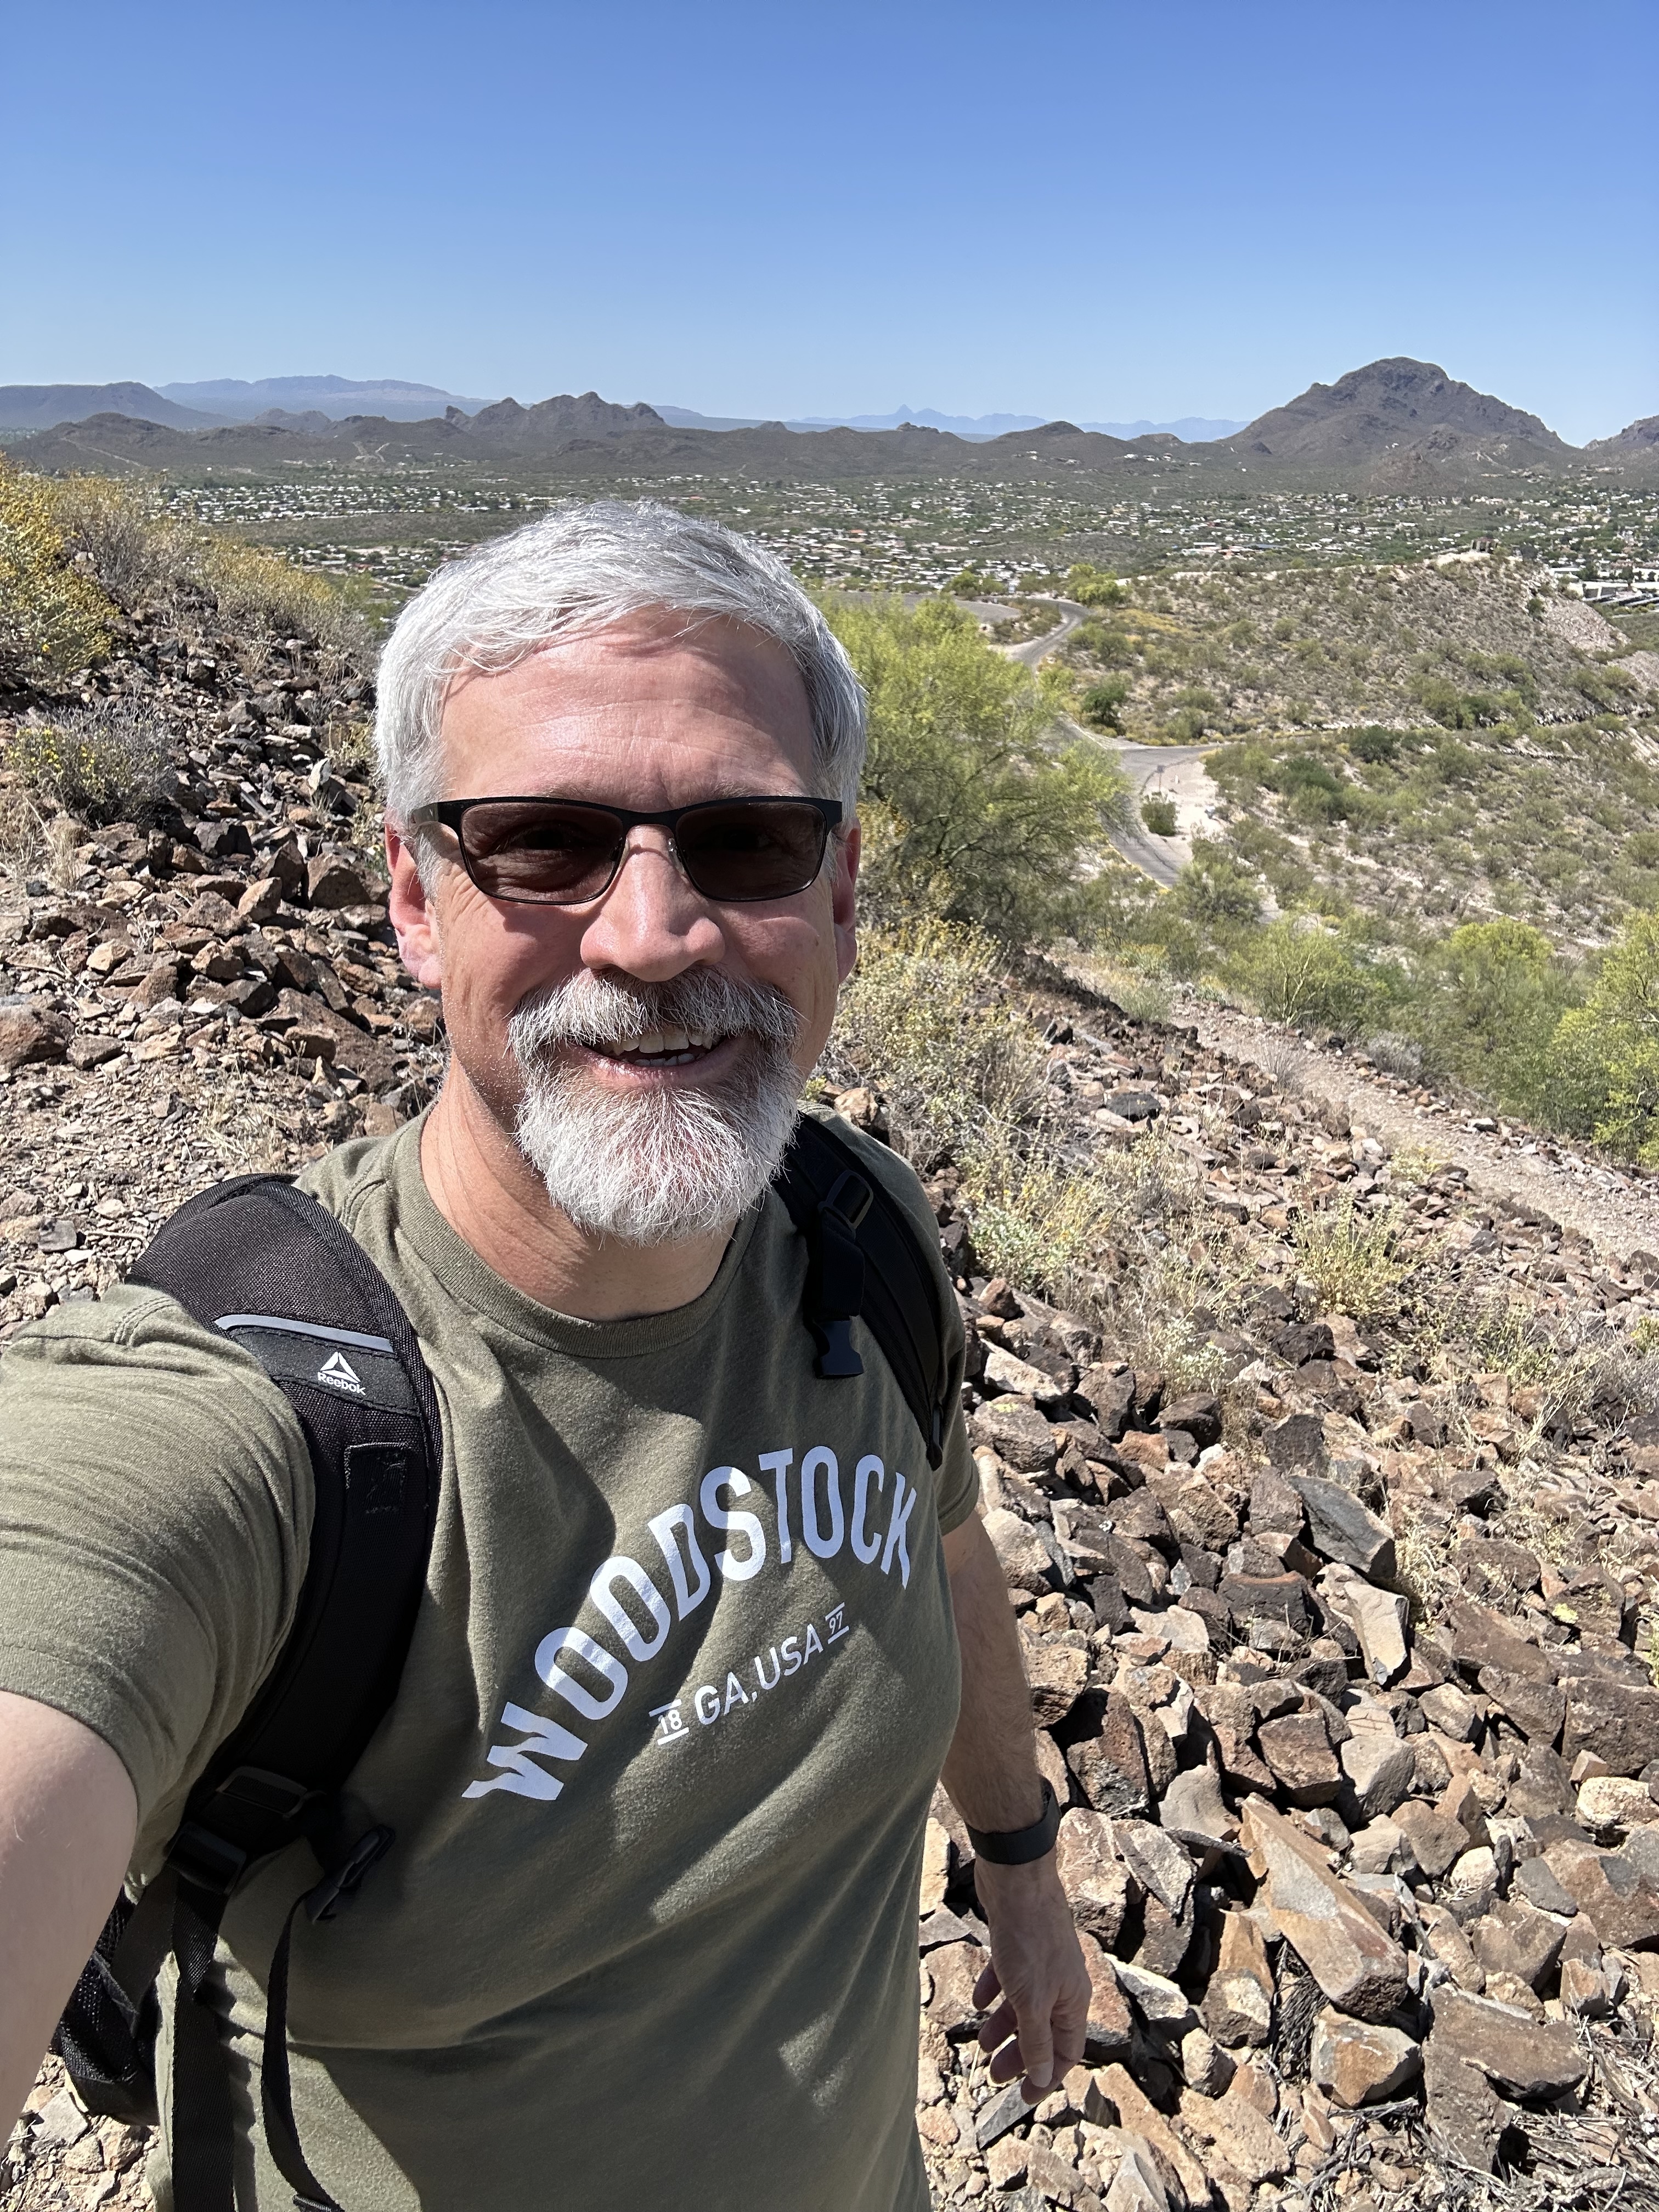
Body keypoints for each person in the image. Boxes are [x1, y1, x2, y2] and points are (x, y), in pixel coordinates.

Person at [0, 501, 1088, 2210]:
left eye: (744, 842)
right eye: (543, 843)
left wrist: (1022, 1867)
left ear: (845, 891)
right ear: (415, 899)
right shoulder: (257, 1428)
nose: (653, 936)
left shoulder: (856, 1235)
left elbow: (946, 1540)